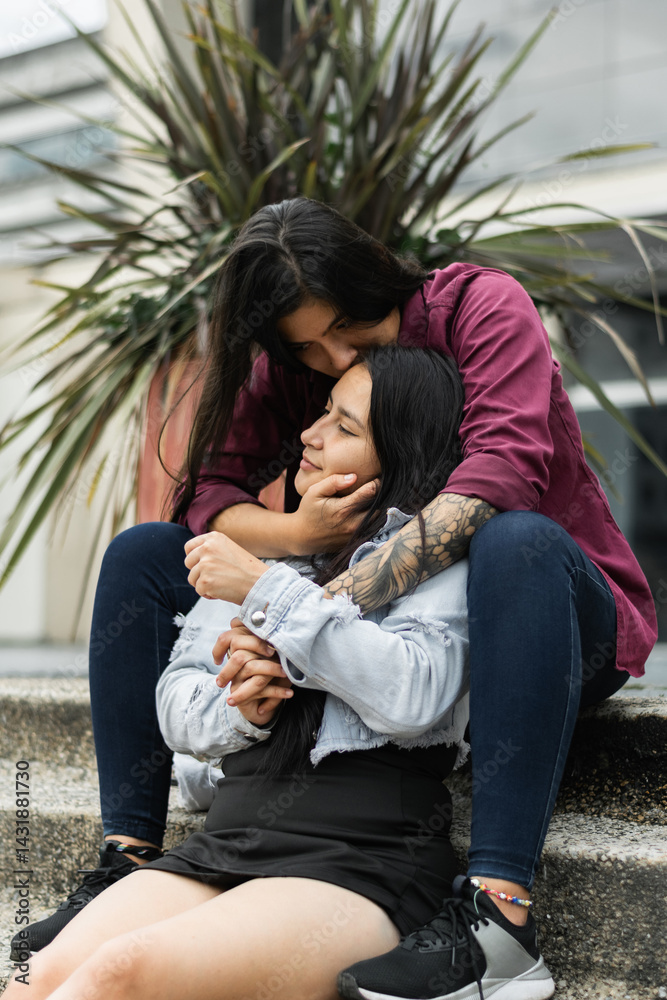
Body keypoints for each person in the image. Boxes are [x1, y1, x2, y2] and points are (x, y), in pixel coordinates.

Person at [14, 197, 656, 1000]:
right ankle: (128, 856)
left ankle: (499, 915)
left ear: (375, 279)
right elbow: (208, 494)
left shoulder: (478, 306)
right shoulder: (299, 361)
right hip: (347, 621)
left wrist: (297, 609)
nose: (333, 356)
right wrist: (296, 535)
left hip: (541, 615)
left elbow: (500, 474)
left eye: (348, 328)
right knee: (144, 553)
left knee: (512, 537)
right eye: (307, 348)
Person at [4, 345, 490, 1000]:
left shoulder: (437, 563)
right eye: (322, 413)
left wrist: (267, 595)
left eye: (343, 427)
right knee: (34, 977)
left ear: (399, 452)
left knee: (119, 974)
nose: (310, 435)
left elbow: (413, 694)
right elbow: (179, 706)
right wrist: (242, 707)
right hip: (226, 840)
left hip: (359, 859)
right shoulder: (269, 551)